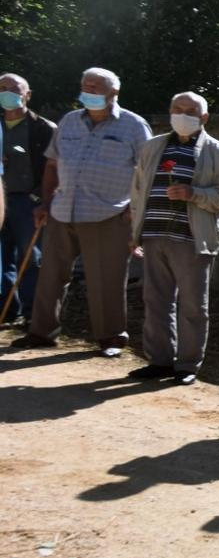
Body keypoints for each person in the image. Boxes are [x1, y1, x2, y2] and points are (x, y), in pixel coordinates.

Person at [12, 68, 151, 355]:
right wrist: (46, 202)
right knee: (49, 275)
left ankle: (111, 338)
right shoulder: (69, 122)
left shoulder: (134, 126)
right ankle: (41, 332)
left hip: (109, 215)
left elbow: (146, 174)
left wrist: (135, 210)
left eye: (96, 87)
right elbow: (52, 165)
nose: (88, 91)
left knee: (106, 280)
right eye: (85, 86)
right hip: (62, 212)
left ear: (114, 93)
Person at [126, 92, 219, 386]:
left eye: (190, 111)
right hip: (154, 235)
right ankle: (159, 361)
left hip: (192, 239)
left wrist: (195, 194)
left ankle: (188, 364)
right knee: (155, 301)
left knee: (193, 305)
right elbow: (138, 190)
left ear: (204, 118)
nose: (182, 114)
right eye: (177, 109)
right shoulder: (153, 147)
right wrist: (135, 232)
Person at [1, 73, 55, 326]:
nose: (8, 92)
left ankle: (33, 315)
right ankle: (7, 311)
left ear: (28, 94)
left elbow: (54, 169)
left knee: (31, 257)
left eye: (15, 88)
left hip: (29, 201)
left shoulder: (43, 128)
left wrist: (45, 201)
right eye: (2, 88)